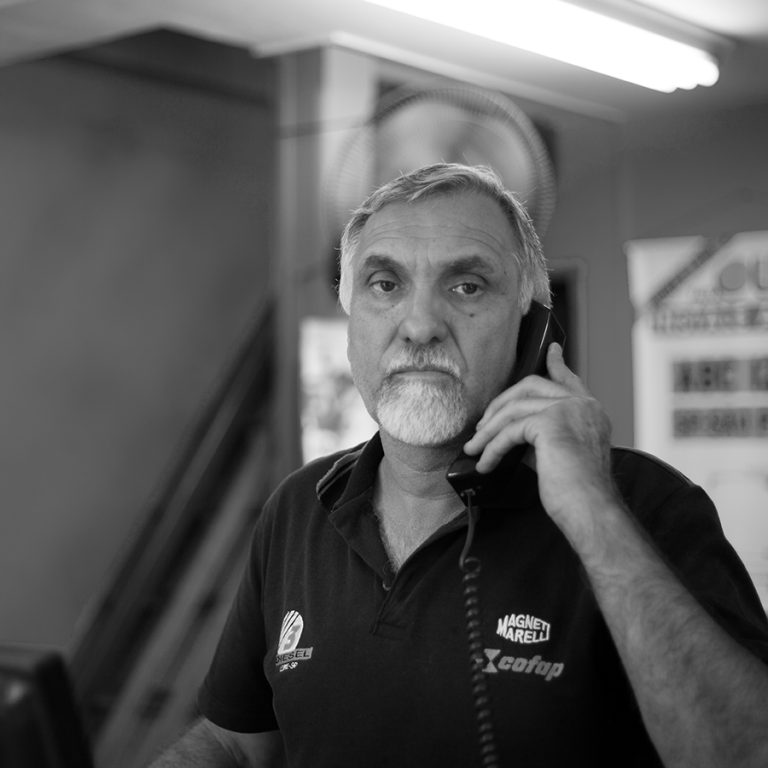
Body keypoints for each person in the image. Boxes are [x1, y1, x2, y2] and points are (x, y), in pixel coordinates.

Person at [150, 163, 768, 767]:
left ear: (533, 331)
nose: (420, 326)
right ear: (352, 324)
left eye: (467, 286)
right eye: (384, 285)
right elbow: (236, 743)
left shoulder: (648, 504)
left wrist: (593, 514)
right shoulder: (299, 506)